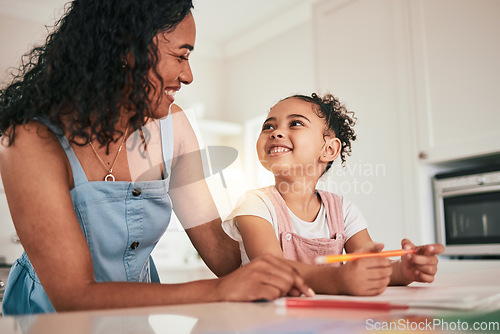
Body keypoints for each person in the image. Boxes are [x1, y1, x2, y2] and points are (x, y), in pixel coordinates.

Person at [0, 0, 313, 315]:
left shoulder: (173, 128)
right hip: (46, 320)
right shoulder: (30, 140)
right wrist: (220, 290)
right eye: (180, 56)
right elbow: (74, 296)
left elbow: (221, 252)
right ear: (126, 50)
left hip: (136, 315)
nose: (188, 75)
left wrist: (316, 259)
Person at [222, 93, 445, 296]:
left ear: (329, 150)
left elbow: (369, 264)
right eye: (268, 127)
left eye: (296, 123)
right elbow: (272, 269)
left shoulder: (343, 210)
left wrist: (403, 271)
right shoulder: (255, 203)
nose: (276, 132)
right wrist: (339, 279)